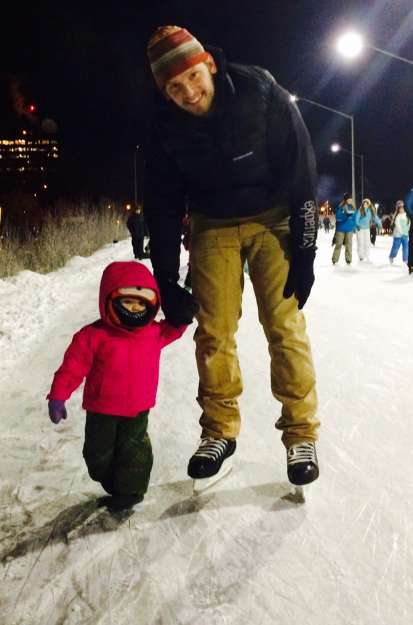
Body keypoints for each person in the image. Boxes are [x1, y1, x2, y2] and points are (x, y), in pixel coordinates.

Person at [143, 26, 320, 488]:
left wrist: (304, 250)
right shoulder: (163, 126)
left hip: (273, 217)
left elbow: (302, 169)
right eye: (174, 88)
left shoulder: (260, 91)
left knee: (284, 325)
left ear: (210, 64)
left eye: (193, 77)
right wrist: (165, 278)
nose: (188, 93)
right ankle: (219, 430)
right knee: (214, 331)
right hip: (212, 224)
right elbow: (160, 204)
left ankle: (300, 432)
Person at [46, 261, 190, 512]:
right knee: (97, 456)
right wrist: (58, 395)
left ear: (151, 304)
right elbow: (72, 367)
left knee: (135, 453)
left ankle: (130, 491)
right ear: (110, 300)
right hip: (102, 410)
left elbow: (176, 328)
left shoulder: (154, 332)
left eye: (142, 302)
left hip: (137, 409)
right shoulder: (93, 336)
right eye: (127, 302)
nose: (135, 307)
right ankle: (113, 481)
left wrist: (183, 311)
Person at [332, 193, 356, 265]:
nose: (350, 200)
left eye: (351, 199)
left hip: (349, 229)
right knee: (338, 244)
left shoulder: (353, 208)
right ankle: (335, 259)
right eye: (348, 199)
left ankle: (348, 259)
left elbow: (355, 218)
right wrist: (346, 216)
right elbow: (338, 217)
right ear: (345, 200)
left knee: (349, 245)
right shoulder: (341, 207)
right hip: (341, 229)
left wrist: (354, 226)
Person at [389, 200, 410, 265]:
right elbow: (397, 225)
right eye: (400, 208)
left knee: (406, 248)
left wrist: (407, 230)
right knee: (395, 247)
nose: (401, 210)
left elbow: (409, 224)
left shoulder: (407, 216)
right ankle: (391, 256)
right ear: (398, 209)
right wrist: (401, 232)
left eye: (402, 208)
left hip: (405, 235)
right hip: (398, 235)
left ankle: (406, 259)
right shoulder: (397, 216)